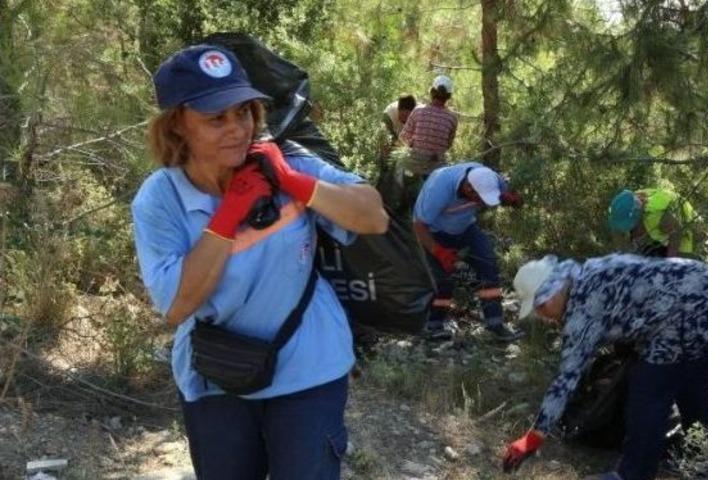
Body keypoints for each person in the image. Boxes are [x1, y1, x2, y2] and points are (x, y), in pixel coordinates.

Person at [132, 44, 388, 480]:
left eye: (244, 112)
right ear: (177, 127)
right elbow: (176, 304)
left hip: (310, 363)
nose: (237, 129)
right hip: (217, 376)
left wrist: (293, 182)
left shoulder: (286, 163)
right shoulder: (161, 198)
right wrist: (229, 215)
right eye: (216, 118)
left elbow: (373, 217)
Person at [503, 254, 708, 480]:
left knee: (647, 393)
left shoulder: (582, 310)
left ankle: (633, 474)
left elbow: (565, 381)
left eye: (539, 309)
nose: (543, 317)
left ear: (550, 296)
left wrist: (532, 439)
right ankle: (704, 459)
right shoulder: (589, 271)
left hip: (689, 312)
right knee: (692, 382)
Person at [412, 162, 524, 342]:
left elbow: (506, 193)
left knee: (487, 262)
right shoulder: (439, 189)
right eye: (479, 199)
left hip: (465, 227)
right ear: (468, 188)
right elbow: (418, 226)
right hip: (433, 233)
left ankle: (495, 325)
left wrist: (510, 199)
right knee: (443, 279)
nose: (481, 204)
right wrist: (438, 251)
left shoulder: (490, 178)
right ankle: (433, 326)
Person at [396, 75, 459, 211]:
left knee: (401, 170)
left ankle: (402, 207)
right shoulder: (453, 118)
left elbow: (403, 138)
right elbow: (448, 144)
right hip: (436, 168)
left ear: (432, 92)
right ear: (448, 96)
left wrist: (414, 143)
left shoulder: (418, 111)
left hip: (414, 166)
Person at [608, 188, 696, 257]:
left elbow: (676, 233)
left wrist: (669, 264)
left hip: (684, 234)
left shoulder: (655, 216)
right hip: (658, 229)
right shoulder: (630, 200)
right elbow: (617, 233)